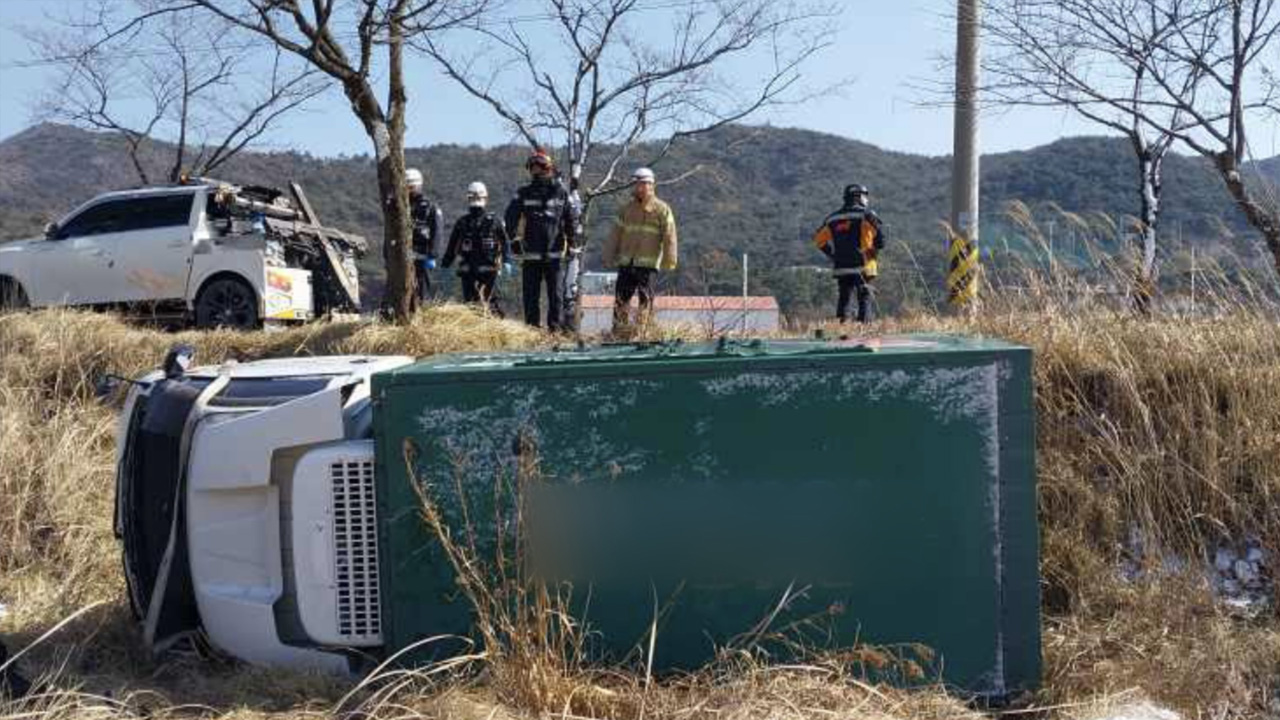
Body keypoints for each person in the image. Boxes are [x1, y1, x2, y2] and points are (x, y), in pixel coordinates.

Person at [504, 149, 580, 330]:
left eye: (540, 168)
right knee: (530, 296)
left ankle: (555, 331)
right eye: (533, 168)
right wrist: (514, 240)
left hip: (554, 254)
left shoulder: (561, 193)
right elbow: (510, 217)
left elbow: (571, 219)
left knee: (556, 296)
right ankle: (532, 331)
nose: (536, 172)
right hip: (531, 254)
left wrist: (573, 244)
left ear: (549, 168)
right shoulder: (523, 192)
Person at [601, 167, 678, 336]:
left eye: (642, 184)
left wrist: (669, 260)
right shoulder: (626, 209)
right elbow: (615, 234)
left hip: (648, 265)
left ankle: (643, 333)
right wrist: (608, 255)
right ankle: (619, 333)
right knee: (621, 301)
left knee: (645, 301)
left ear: (651, 185)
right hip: (627, 263)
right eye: (636, 183)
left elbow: (670, 235)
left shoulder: (662, 209)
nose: (638, 187)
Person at [813, 183, 885, 323]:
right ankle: (864, 330)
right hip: (864, 265)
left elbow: (818, 240)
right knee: (864, 296)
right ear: (858, 197)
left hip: (842, 267)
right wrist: (874, 249)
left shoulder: (832, 218)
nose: (867, 200)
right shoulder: (866, 215)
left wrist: (833, 255)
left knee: (844, 298)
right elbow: (881, 240)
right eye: (865, 196)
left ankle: (843, 330)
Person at [442, 182, 512, 316]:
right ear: (486, 198)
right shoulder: (464, 222)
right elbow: (452, 245)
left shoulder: (492, 221)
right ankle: (481, 327)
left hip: (487, 269)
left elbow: (505, 242)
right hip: (471, 270)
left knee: (487, 302)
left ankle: (494, 326)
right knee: (473, 303)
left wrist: (507, 260)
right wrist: (446, 262)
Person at [406, 168, 443, 305]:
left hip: (423, 257)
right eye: (407, 186)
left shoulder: (430, 207)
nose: (410, 190)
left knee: (422, 292)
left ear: (419, 185)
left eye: (412, 186)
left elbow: (437, 233)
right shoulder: (399, 207)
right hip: (403, 259)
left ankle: (423, 316)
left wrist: (432, 255)